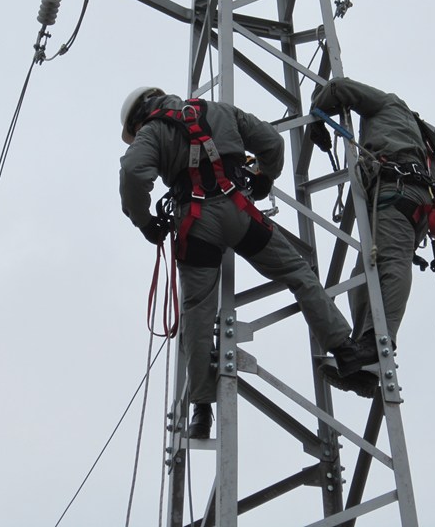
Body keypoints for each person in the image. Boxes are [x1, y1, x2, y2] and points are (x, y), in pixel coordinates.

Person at [119, 86, 376, 439]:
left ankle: (202, 409)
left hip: (197, 227)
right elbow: (272, 142)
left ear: (138, 118)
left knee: (197, 310)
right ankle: (345, 350)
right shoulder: (220, 110)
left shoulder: (152, 132)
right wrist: (264, 178)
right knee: (298, 271)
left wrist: (146, 222)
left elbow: (133, 173)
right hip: (240, 214)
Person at [310, 77, 435, 391]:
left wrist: (317, 111)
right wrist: (433, 205)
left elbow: (339, 89)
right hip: (409, 203)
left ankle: (377, 343)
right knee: (364, 275)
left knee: (390, 264)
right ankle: (366, 363)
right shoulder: (429, 153)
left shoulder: (388, 103)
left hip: (394, 193)